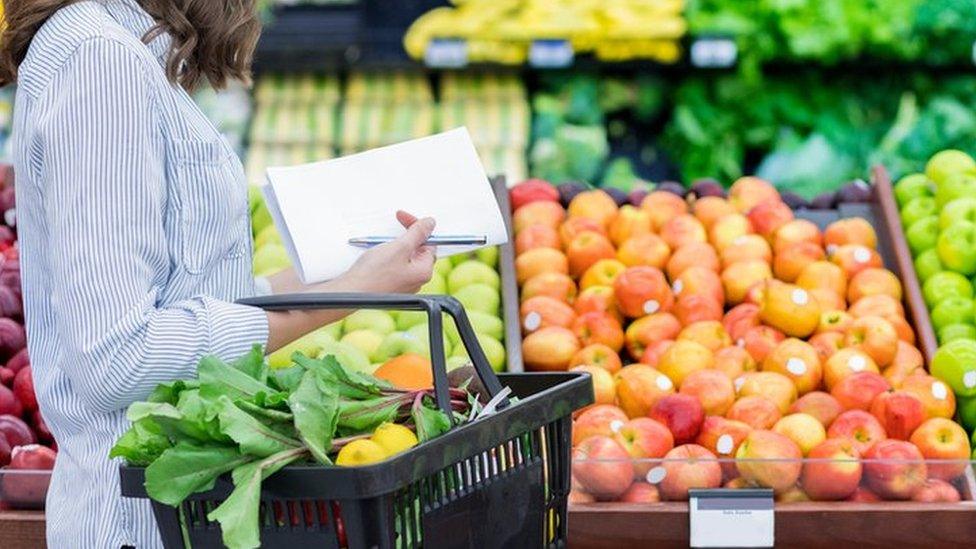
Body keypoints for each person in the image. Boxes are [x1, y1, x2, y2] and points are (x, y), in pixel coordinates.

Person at [0, 1, 436, 546]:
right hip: (140, 525)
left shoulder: (121, 50)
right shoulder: (100, 61)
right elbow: (118, 356)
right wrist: (347, 297)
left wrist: (350, 276)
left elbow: (186, 296)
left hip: (175, 516)